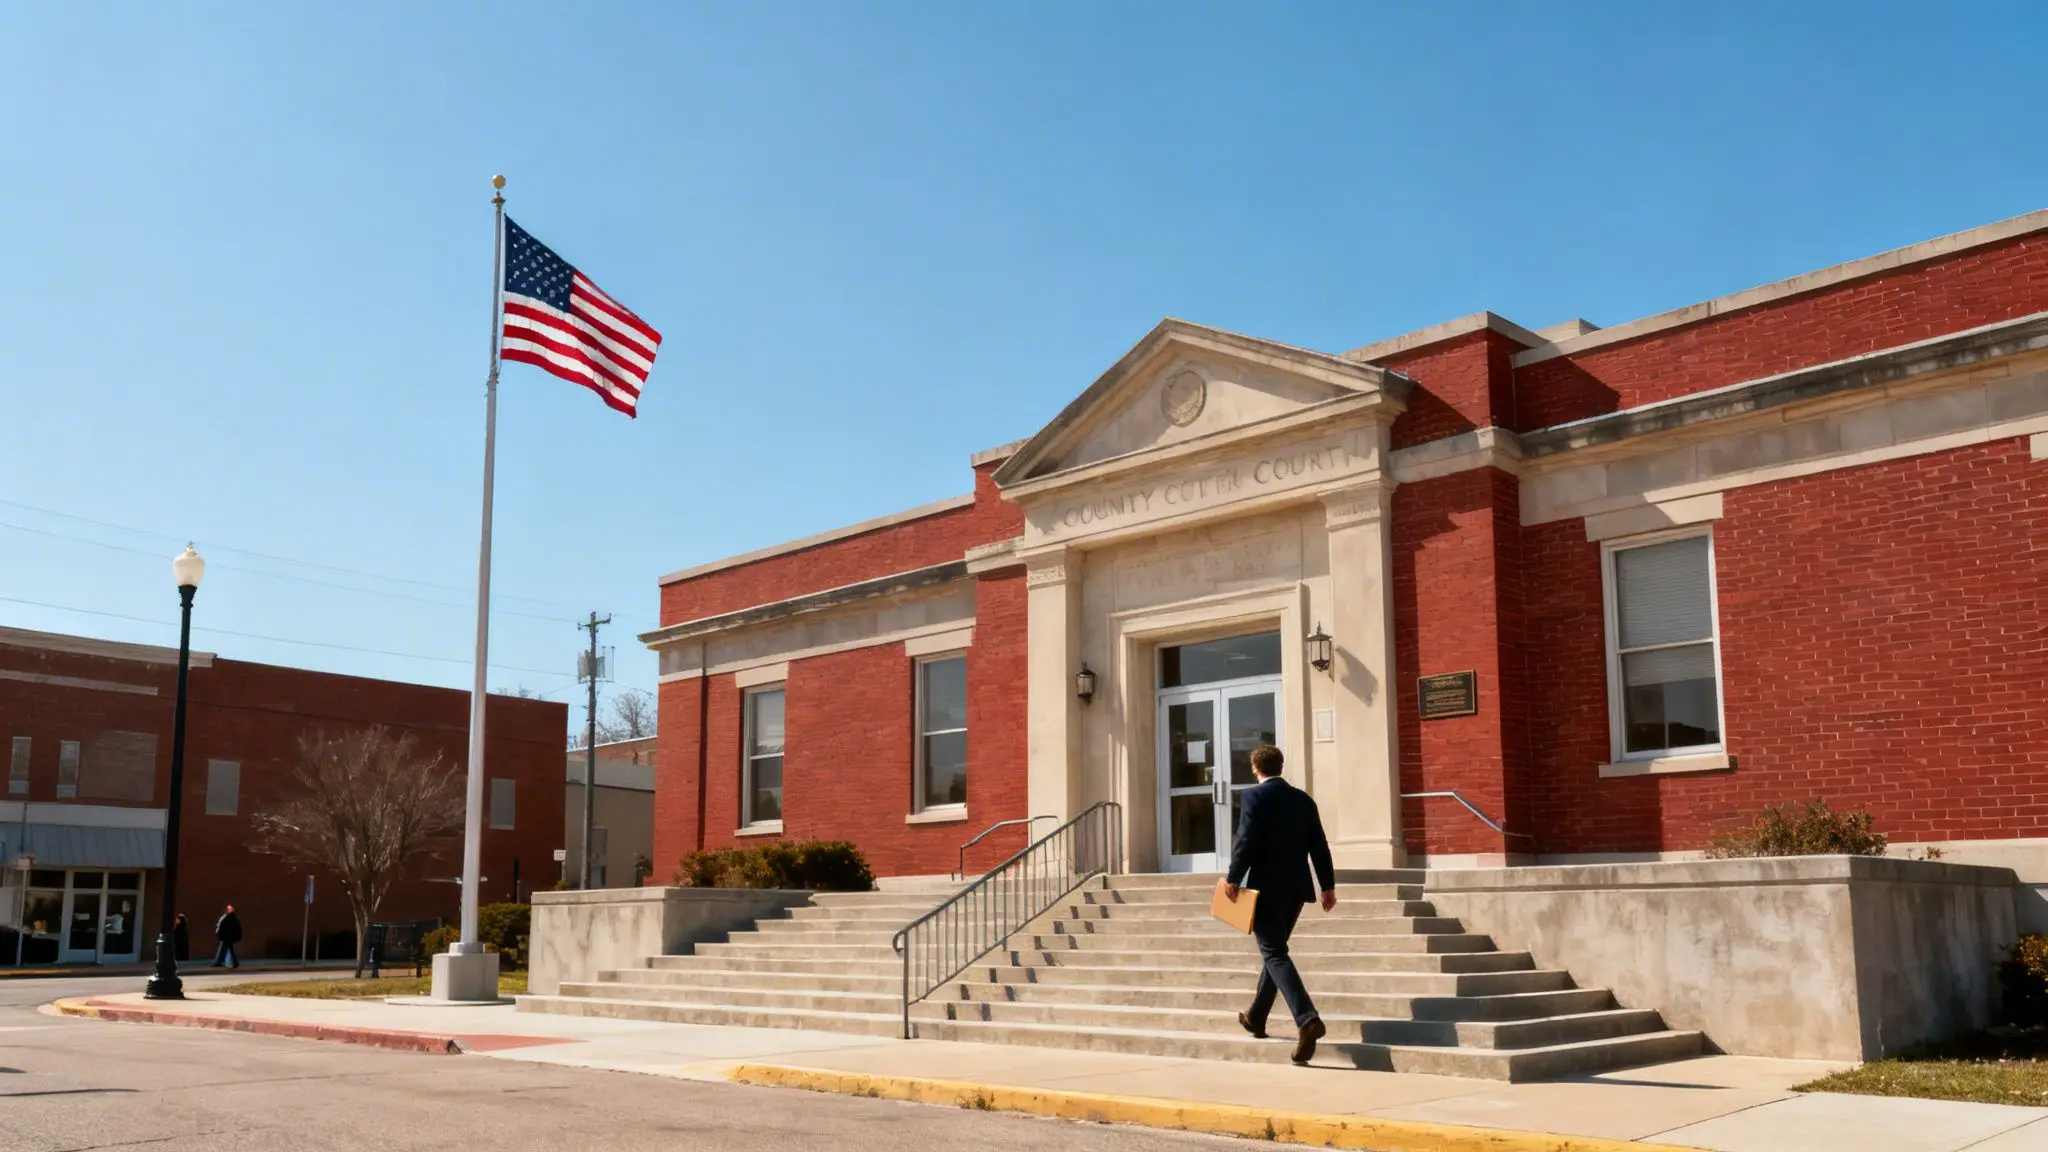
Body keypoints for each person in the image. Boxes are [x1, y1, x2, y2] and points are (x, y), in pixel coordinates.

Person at [1223, 744, 1336, 1065]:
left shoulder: (1254, 797)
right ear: (1280, 766)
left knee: (1274, 953)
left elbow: (1245, 840)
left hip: (1266, 890)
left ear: (1255, 768)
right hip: (1297, 890)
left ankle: (1307, 1018)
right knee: (1276, 952)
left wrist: (1233, 877)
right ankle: (1257, 1017)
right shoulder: (1303, 800)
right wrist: (1327, 886)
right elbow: (1319, 845)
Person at [212, 904, 243, 969]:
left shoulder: (229, 918)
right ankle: (229, 962)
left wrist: (220, 934)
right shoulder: (231, 918)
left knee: (225, 949)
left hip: (227, 937)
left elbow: (224, 927)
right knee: (227, 949)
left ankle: (219, 962)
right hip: (228, 937)